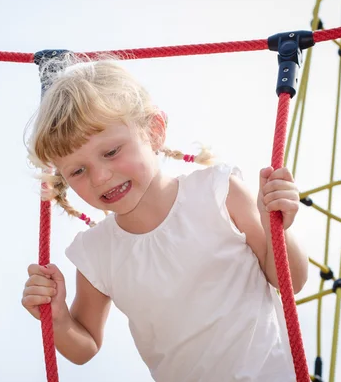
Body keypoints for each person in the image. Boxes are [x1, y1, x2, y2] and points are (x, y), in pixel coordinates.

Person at [21, 54, 309, 382]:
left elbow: (292, 281)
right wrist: (57, 318)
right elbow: (85, 346)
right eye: (78, 170)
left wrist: (278, 228)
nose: (100, 177)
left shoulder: (217, 192)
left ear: (154, 131)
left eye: (111, 152)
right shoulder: (96, 252)